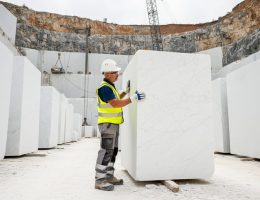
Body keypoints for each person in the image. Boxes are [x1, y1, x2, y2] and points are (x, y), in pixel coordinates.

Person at [95, 59, 145, 191]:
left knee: (113, 151)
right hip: (107, 125)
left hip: (114, 124)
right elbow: (115, 103)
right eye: (115, 72)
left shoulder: (110, 86)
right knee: (106, 151)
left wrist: (125, 91)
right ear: (108, 74)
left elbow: (116, 97)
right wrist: (132, 98)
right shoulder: (104, 88)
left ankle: (109, 176)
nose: (118, 74)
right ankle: (99, 180)